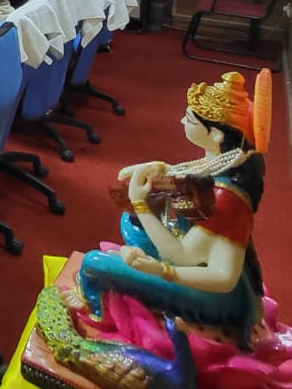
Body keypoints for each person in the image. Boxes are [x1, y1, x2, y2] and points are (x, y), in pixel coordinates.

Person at [43, 70, 275, 385]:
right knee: (132, 223)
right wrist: (160, 170)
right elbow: (194, 177)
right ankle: (132, 291)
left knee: (94, 265)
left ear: (216, 135)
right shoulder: (228, 165)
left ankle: (97, 313)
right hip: (201, 267)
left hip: (215, 296)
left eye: (189, 119)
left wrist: (160, 267)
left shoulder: (227, 198)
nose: (181, 121)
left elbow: (207, 269)